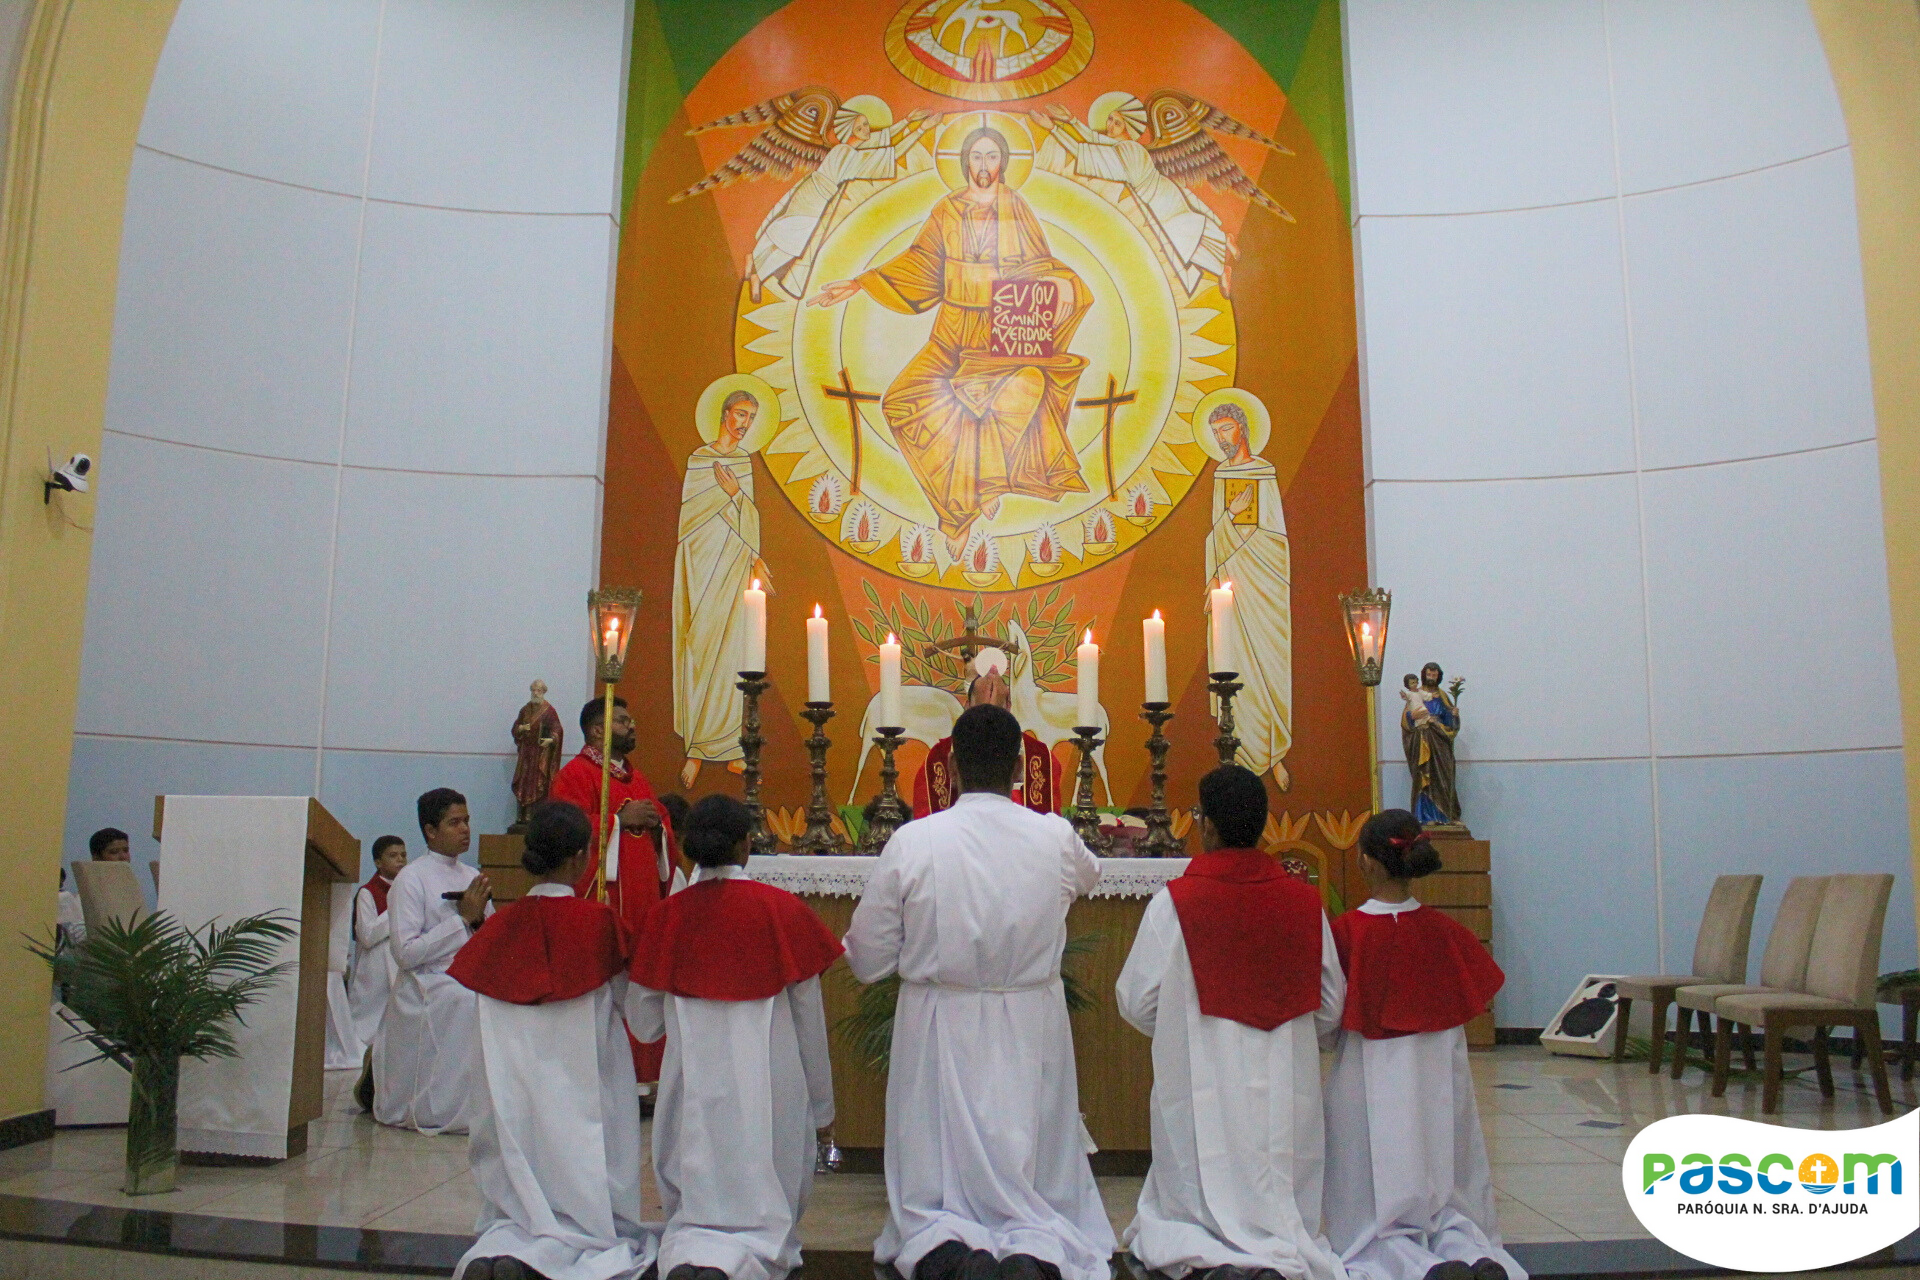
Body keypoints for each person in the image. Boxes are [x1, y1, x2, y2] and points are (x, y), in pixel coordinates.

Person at [844, 704, 1114, 1280]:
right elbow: (1091, 876)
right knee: (1030, 1157)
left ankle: (943, 1241)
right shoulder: (1054, 836)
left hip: (939, 1020)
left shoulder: (914, 841)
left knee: (935, 1169)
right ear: (1018, 767)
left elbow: (867, 959)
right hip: (1030, 1020)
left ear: (951, 766)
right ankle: (1032, 1246)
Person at [809, 127, 1091, 554]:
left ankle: (963, 509)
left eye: (991, 156)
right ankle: (974, 489)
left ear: (1003, 162)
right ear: (964, 162)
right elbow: (921, 263)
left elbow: (1040, 263)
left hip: (999, 331)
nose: (984, 165)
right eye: (976, 156)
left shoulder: (1016, 207)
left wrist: (1064, 282)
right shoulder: (946, 210)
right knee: (900, 402)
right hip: (950, 329)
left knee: (992, 400)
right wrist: (861, 283)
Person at [1115, 765, 1345, 1280]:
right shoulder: (1304, 903)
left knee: (1194, 1189)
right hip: (1285, 1082)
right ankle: (1277, 1245)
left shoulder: (1174, 903)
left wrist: (1183, 1027)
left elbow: (1134, 1000)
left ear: (1208, 826)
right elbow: (1331, 1005)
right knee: (1281, 1172)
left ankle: (1212, 1244)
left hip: (1202, 1082)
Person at [629, 795, 841, 1280]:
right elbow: (809, 1022)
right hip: (772, 1088)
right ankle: (742, 1260)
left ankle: (694, 1253)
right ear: (746, 845)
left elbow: (643, 1025)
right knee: (769, 1200)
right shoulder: (782, 911)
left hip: (692, 1086)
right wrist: (823, 1109)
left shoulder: (667, 917)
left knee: (694, 1200)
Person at [450, 801, 656, 1280]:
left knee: (517, 1205)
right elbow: (635, 1009)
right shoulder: (600, 924)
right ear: (581, 856)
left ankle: (511, 1243)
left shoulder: (499, 928)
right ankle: (557, 1246)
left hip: (516, 1092)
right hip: (585, 1083)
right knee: (587, 1203)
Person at [1322, 811, 1516, 1280]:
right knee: (1444, 1166)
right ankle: (1468, 1251)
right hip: (1438, 1066)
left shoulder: (1347, 932)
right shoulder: (1444, 931)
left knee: (1376, 1192)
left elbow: (1328, 1018)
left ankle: (1411, 1264)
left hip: (1369, 1065)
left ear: (1366, 861)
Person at [549, 696, 674, 1082]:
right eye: (622, 720)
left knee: (639, 987)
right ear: (596, 730)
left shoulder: (637, 778)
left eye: (630, 719)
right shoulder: (575, 775)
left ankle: (640, 1078)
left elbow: (664, 825)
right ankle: (602, 1078)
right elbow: (564, 830)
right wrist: (619, 819)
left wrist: (658, 827)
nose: (632, 725)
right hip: (604, 899)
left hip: (642, 901)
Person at [372, 788, 491, 1135]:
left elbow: (487, 931)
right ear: (430, 830)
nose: (465, 829)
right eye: (454, 822)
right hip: (427, 980)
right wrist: (462, 920)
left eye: (466, 820)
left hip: (467, 973)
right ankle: (444, 1107)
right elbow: (405, 953)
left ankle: (484, 1106)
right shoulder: (411, 879)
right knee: (465, 1000)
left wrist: (480, 922)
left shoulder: (471, 876)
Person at [673, 388, 772, 788]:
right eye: (741, 414)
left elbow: (748, 514)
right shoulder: (699, 461)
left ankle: (729, 748)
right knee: (699, 646)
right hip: (701, 562)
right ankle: (696, 748)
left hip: (733, 564)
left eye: (751, 418)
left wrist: (754, 555)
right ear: (725, 413)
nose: (745, 424)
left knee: (731, 652)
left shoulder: (743, 464)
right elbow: (688, 519)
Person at [1203, 399, 1292, 789]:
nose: (1221, 438)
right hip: (1232, 584)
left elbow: (1278, 539)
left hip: (1266, 584)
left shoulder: (1265, 472)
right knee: (1235, 663)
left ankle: (1275, 753)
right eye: (1215, 432)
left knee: (1269, 662)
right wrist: (1231, 517)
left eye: (1226, 428)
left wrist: (1240, 525)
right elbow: (1215, 536)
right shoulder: (1221, 475)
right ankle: (1241, 753)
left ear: (1243, 427)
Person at [911, 668, 1058, 817]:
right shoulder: (937, 759)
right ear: (967, 706)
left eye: (995, 710)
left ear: (1008, 707)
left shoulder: (1040, 758)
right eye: (982, 709)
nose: (988, 721)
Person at [350, 836, 407, 1048]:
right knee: (367, 1029)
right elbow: (367, 935)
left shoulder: (408, 889)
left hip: (400, 963)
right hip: (374, 971)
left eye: (403, 855)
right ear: (378, 862)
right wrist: (395, 906)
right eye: (393, 855)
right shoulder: (367, 892)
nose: (400, 860)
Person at [1401, 665, 1461, 824]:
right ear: (1424, 676)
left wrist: (1454, 715)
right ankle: (1425, 817)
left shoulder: (1442, 696)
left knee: (1444, 777)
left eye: (1434, 675)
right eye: (1429, 675)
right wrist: (1411, 716)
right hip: (1423, 740)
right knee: (1424, 777)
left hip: (1440, 741)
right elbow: (1406, 721)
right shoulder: (1416, 694)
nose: (1431, 678)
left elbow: (1450, 723)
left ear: (1438, 676)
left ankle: (1447, 816)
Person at [511, 680, 565, 828]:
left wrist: (551, 739)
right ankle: (523, 815)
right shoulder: (525, 710)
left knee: (538, 783)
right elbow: (516, 727)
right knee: (523, 783)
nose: (535, 693)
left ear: (543, 692)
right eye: (533, 690)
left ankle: (535, 815)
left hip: (541, 755)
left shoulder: (549, 711)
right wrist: (521, 728)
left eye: (538, 691)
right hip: (526, 754)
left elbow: (557, 729)